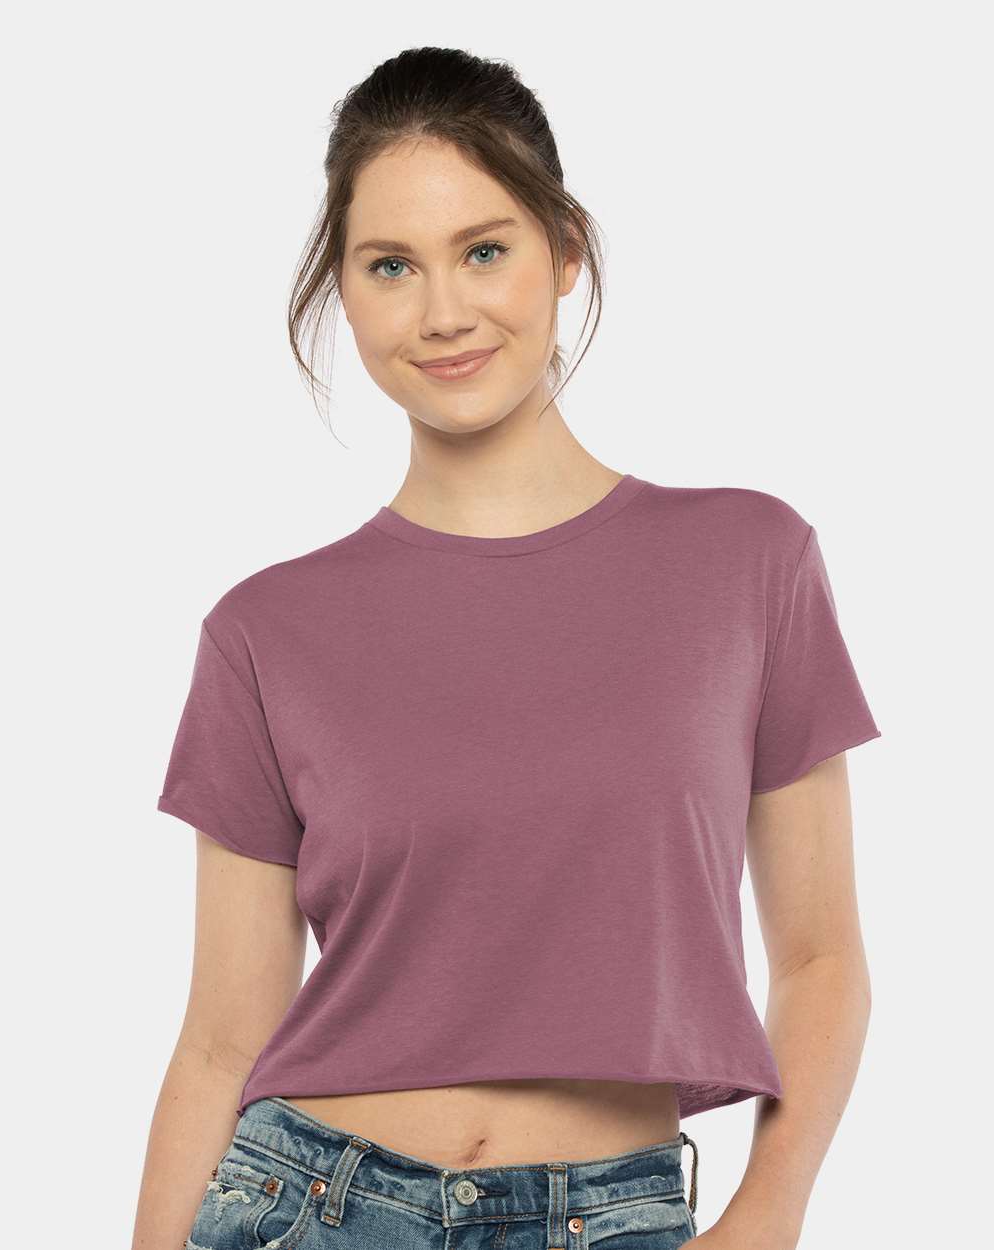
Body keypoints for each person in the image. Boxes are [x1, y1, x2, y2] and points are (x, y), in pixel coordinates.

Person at [133, 46, 882, 1250]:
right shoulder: (263, 630)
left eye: (484, 250)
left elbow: (820, 953)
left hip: (613, 1215)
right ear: (343, 290)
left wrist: (768, 1212)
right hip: (309, 1209)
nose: (442, 312)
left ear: (564, 249)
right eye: (390, 265)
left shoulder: (749, 562)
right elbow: (221, 1037)